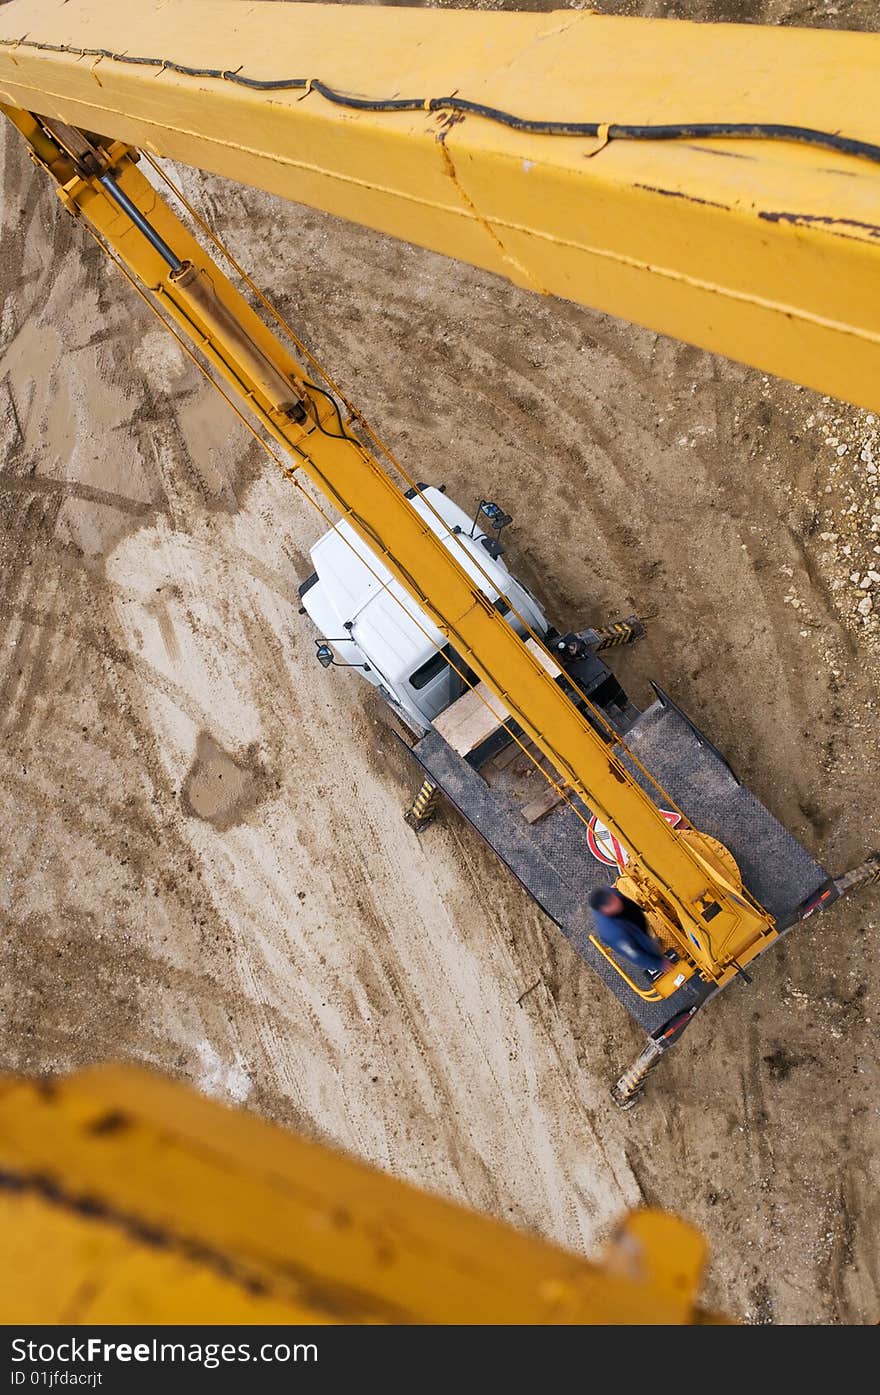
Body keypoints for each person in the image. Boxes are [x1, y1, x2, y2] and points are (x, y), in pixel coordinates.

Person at [588, 885, 677, 982]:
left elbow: (613, 891)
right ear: (605, 910)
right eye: (612, 903)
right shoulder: (614, 934)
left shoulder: (608, 893)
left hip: (636, 926)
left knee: (648, 938)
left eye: (614, 897)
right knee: (650, 950)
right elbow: (634, 954)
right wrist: (657, 963)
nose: (617, 900)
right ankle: (655, 956)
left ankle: (651, 943)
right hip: (636, 939)